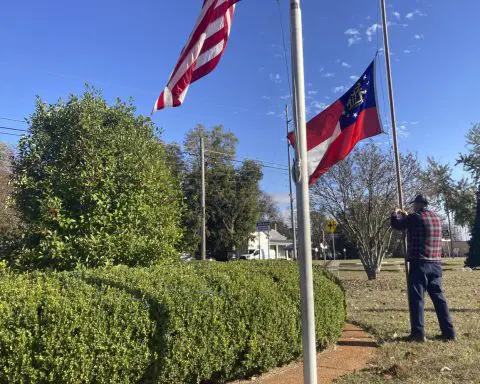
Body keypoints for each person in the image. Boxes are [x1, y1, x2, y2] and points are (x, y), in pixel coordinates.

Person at [391, 194, 456, 342]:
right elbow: (417, 223)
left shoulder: (415, 218)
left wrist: (395, 212)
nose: (414, 206)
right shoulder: (436, 219)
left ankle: (418, 334)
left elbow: (397, 224)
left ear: (419, 204)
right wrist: (408, 216)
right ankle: (449, 332)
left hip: (419, 263)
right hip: (436, 264)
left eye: (415, 204)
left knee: (417, 299)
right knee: (439, 299)